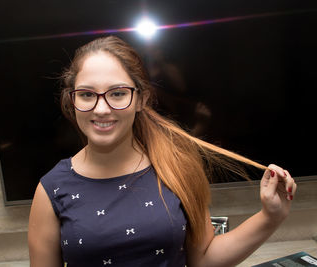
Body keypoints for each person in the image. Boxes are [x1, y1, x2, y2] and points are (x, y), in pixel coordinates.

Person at [28, 36, 296, 267]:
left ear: (141, 99)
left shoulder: (176, 168)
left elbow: (204, 260)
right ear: (72, 99)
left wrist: (270, 216)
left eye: (118, 93)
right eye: (87, 94)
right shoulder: (51, 190)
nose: (101, 108)